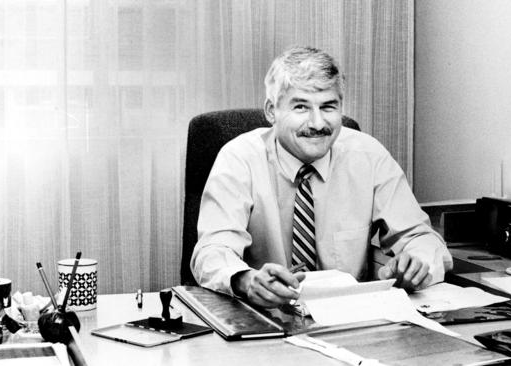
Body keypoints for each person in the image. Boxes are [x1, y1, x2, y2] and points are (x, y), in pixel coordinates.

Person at [191, 46, 452, 308]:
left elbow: (422, 238)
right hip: (263, 317)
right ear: (272, 111)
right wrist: (246, 280)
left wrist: (416, 264)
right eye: (301, 107)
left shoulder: (368, 155)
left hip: (347, 318)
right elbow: (212, 251)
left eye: (328, 107)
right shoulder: (239, 158)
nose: (317, 123)